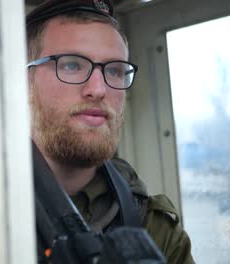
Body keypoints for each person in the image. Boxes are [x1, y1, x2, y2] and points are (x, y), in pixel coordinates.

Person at [26, 0, 195, 263]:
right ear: (22, 82)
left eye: (114, 70)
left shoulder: (155, 230)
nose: (99, 88)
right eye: (72, 65)